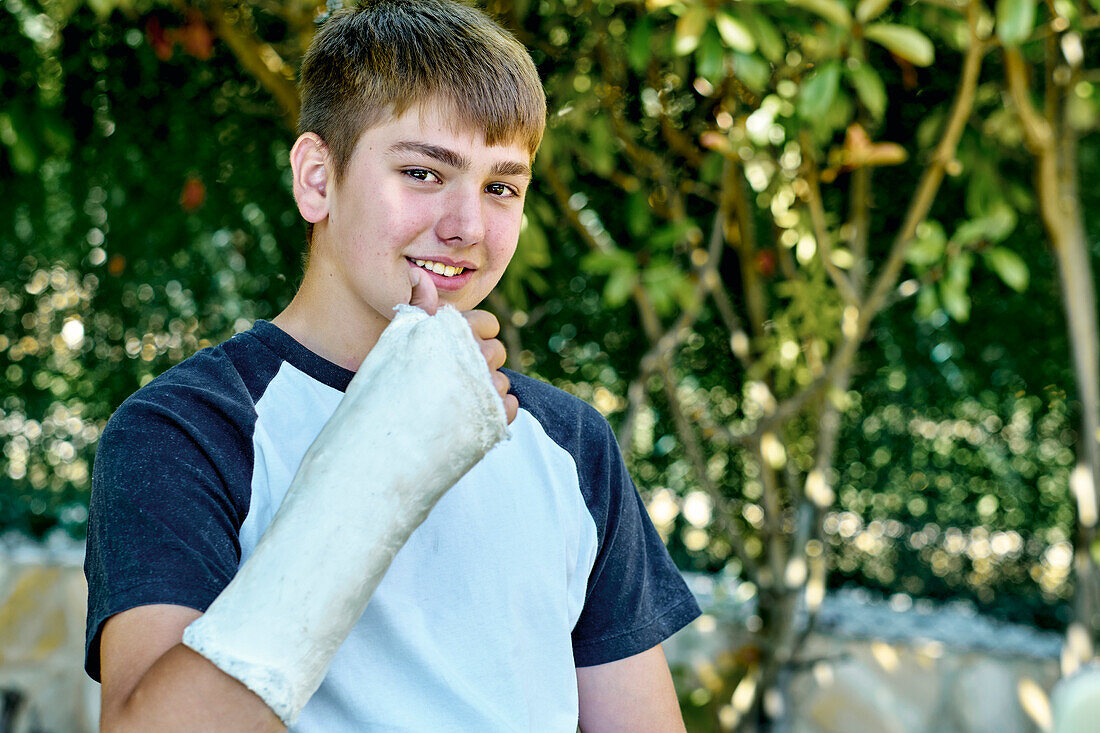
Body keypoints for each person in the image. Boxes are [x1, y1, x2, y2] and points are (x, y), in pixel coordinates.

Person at [84, 1, 701, 730]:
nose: (467, 225)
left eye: (501, 185)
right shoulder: (186, 429)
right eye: (422, 172)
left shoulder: (569, 443)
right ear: (317, 178)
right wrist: (381, 461)